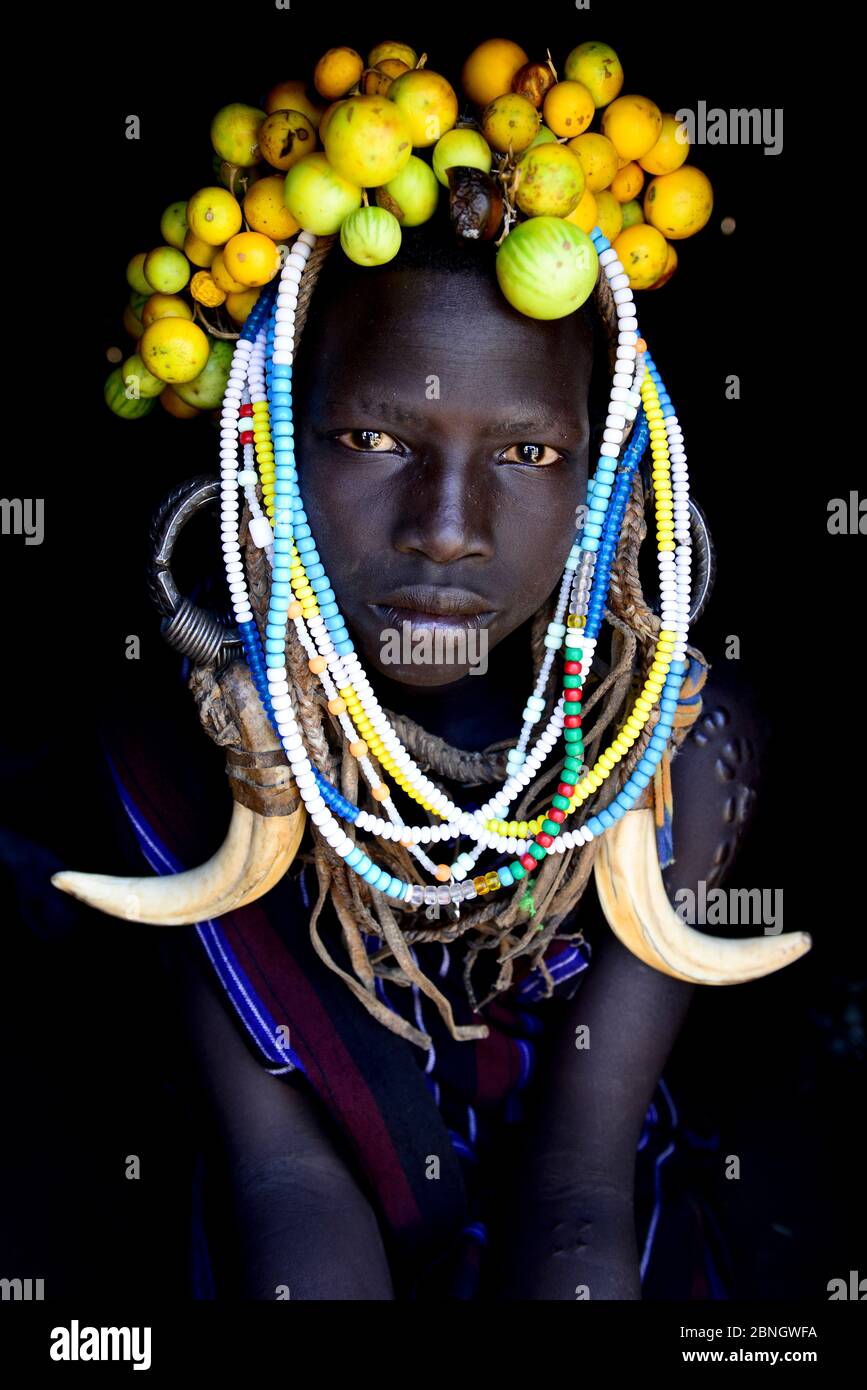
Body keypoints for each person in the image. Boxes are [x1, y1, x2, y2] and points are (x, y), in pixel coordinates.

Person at [61, 205, 780, 1301]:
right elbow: (287, 1178)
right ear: (270, 440)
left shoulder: (673, 754)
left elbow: (580, 1186)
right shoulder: (193, 743)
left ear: (608, 479)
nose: (447, 529)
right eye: (373, 439)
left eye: (530, 451)